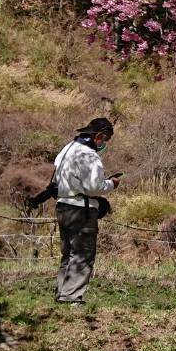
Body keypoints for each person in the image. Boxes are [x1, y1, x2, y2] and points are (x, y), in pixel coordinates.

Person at [52, 117, 120, 306]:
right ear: (98, 136)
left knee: (68, 252)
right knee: (82, 253)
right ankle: (72, 297)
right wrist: (111, 184)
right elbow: (93, 187)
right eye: (105, 140)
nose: (104, 144)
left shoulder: (67, 149)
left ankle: (62, 292)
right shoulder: (89, 155)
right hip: (81, 209)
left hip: (63, 205)